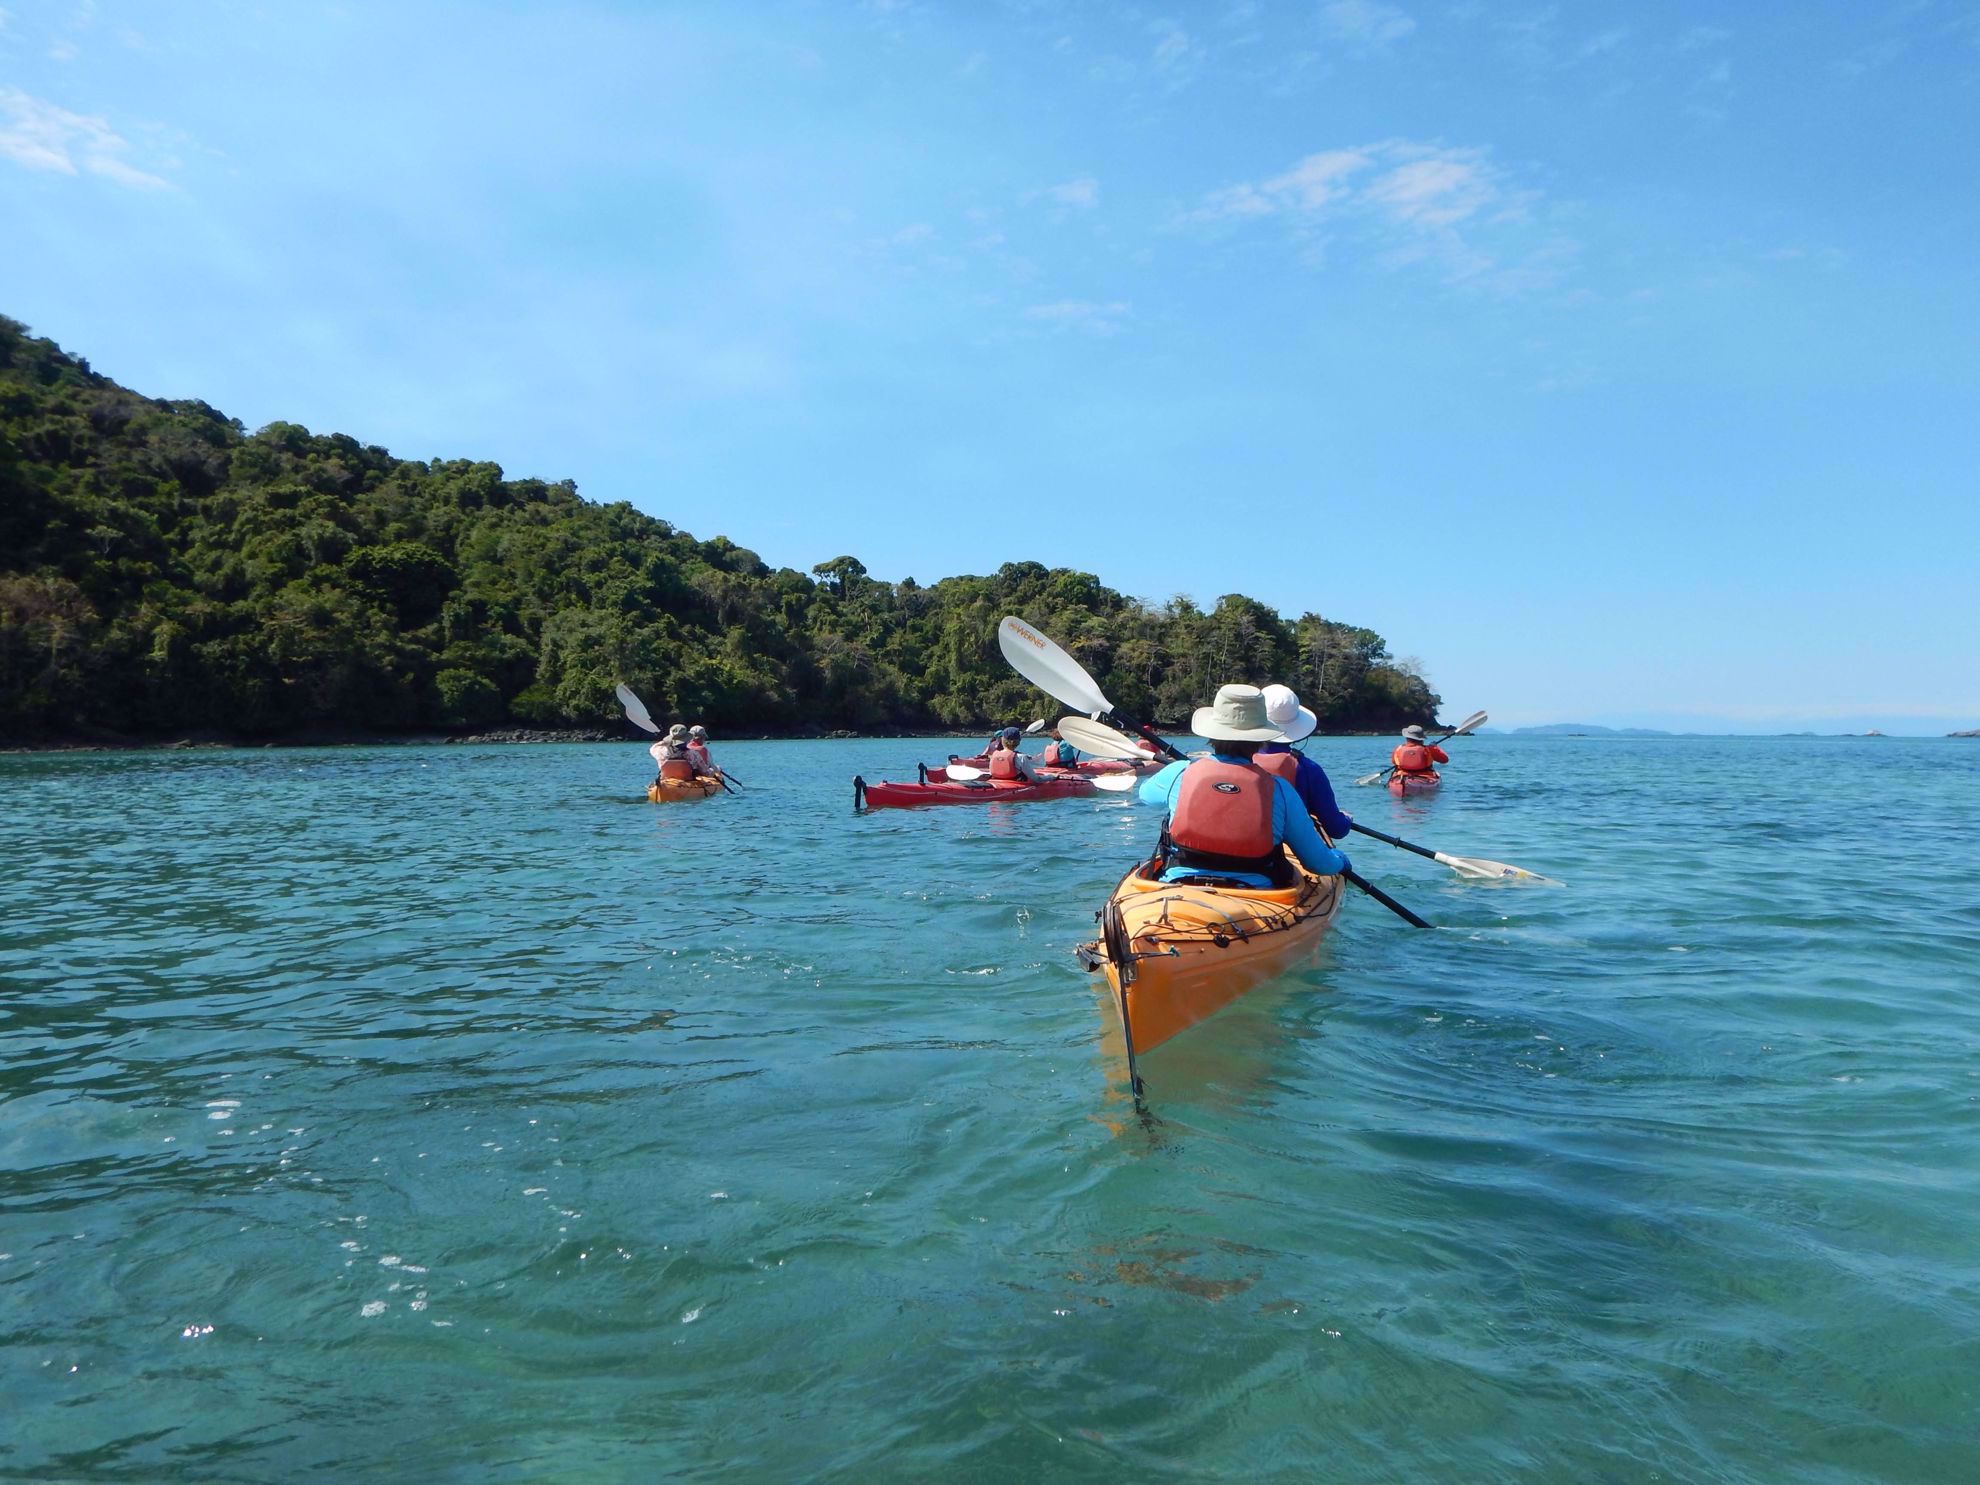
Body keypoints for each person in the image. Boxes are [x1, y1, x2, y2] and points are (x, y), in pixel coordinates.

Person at [1137, 685, 1351, 887]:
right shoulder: (1281, 790)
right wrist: (1340, 861)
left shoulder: (1180, 772)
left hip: (1177, 883)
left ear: (1211, 733)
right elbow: (1319, 865)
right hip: (1256, 892)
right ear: (1261, 739)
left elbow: (1145, 794)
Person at [1258, 684, 1353, 840]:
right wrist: (1346, 819)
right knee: (1342, 863)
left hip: (1238, 848)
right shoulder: (1308, 769)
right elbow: (1336, 829)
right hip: (1285, 848)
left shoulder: (1233, 760)